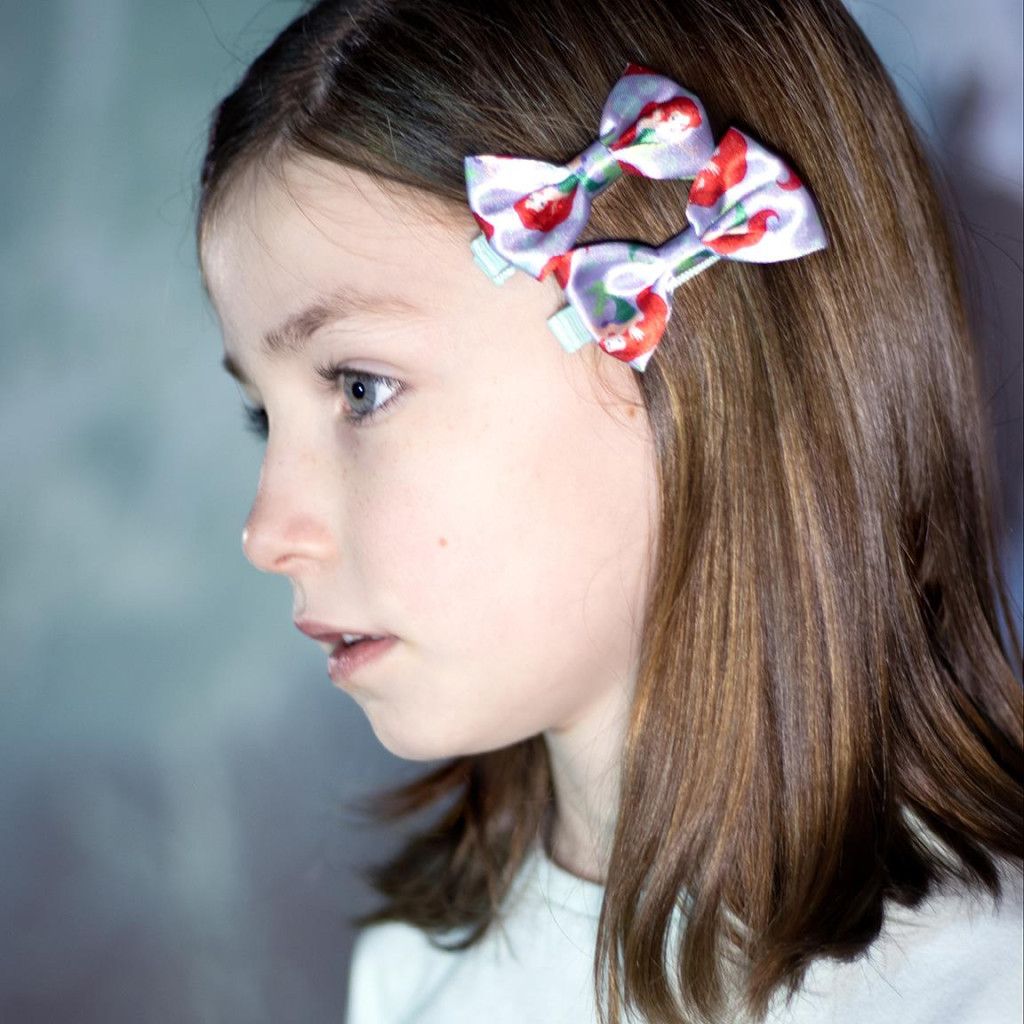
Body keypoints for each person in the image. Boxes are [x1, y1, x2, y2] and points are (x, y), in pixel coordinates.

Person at [194, 1, 1024, 1021]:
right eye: (262, 417)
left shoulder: (986, 988)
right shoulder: (410, 973)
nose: (267, 533)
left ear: (679, 332)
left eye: (360, 388)